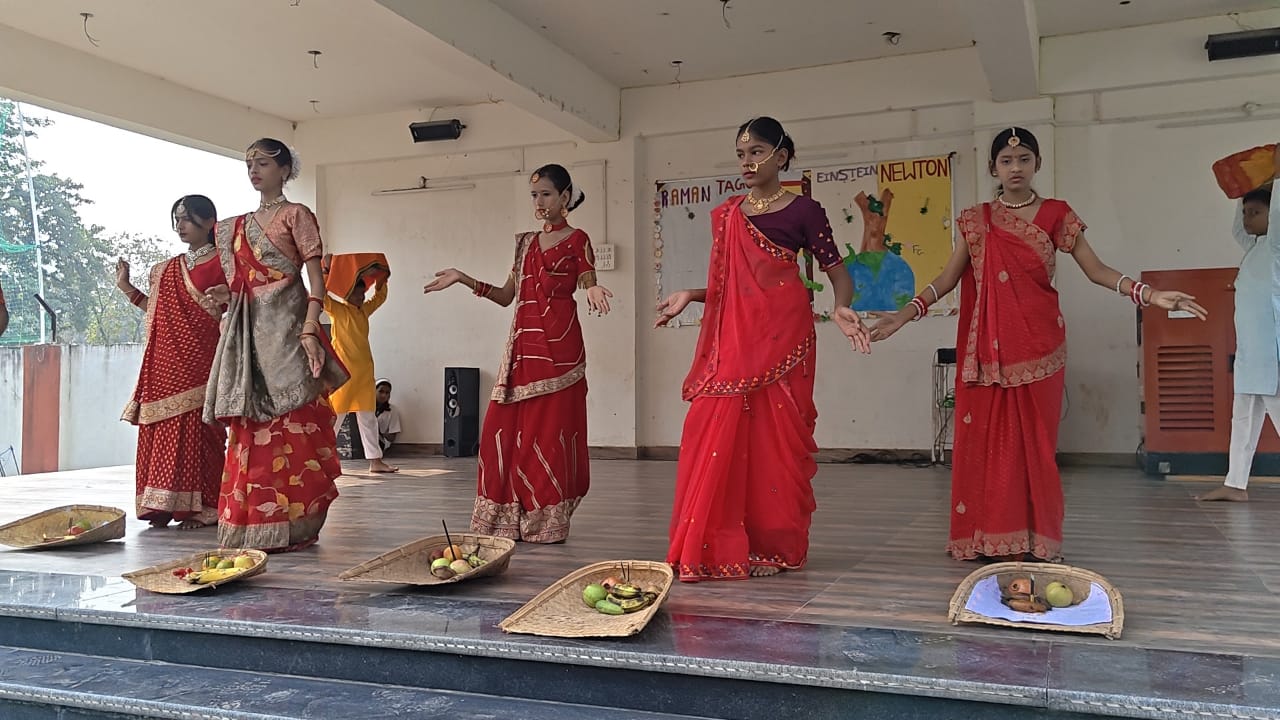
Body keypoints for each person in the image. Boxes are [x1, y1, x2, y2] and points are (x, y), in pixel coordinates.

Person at [869, 127, 1208, 562]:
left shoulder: (1056, 214)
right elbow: (948, 278)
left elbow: (1095, 269)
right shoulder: (977, 221)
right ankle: (989, 539)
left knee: (1036, 449)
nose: (1016, 167)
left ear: (1037, 164)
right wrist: (903, 315)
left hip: (1040, 347)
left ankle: (1037, 541)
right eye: (1007, 161)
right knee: (989, 448)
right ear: (994, 168)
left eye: (1024, 159)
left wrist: (1149, 294)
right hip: (989, 354)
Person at [657, 117, 871, 582]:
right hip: (735, 343)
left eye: (756, 152)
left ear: (781, 156)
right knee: (710, 428)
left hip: (785, 339)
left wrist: (841, 307)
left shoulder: (805, 211)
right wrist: (691, 295)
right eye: (741, 154)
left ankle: (770, 547)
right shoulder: (728, 214)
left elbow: (837, 272)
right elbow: (728, 288)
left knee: (774, 443)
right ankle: (714, 545)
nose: (747, 162)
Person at [423, 163, 613, 543]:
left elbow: (588, 276)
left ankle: (546, 521)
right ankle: (505, 518)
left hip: (560, 352)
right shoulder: (525, 244)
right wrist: (463, 278)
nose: (539, 202)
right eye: (534, 195)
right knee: (501, 431)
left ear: (564, 196)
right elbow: (506, 296)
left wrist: (592, 288)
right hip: (522, 351)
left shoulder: (578, 239)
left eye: (546, 194)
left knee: (549, 435)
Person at [203, 138, 349, 553]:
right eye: (249, 163)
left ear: (285, 170)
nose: (254, 170)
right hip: (249, 336)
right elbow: (242, 284)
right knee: (251, 426)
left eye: (263, 163)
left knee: (292, 424)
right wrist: (226, 297)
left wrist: (310, 329)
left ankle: (294, 522)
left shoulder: (296, 215)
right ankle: (249, 524)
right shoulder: (235, 226)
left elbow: (316, 282)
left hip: (288, 329)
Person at [118, 195, 228, 529]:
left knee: (201, 431)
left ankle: (204, 507)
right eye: (177, 219)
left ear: (209, 222)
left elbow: (238, 309)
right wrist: (126, 287)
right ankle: (161, 506)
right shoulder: (165, 270)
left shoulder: (225, 263)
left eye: (187, 218)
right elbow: (157, 313)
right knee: (163, 428)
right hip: (164, 366)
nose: (180, 225)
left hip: (204, 360)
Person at [1199, 149, 1280, 502]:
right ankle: (1235, 483)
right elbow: (1238, 227)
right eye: (1247, 212)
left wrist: (1275, 176)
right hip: (1250, 354)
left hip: (1273, 355)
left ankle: (1236, 483)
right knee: (1243, 419)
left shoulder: (1276, 247)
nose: (1248, 219)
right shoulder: (1254, 247)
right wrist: (1244, 188)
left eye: (1256, 212)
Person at [324, 253, 397, 473]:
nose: (361, 297)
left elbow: (380, 297)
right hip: (343, 375)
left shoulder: (363, 311)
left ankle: (375, 462)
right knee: (334, 419)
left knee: (368, 419)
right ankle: (322, 461)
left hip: (364, 373)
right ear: (347, 294)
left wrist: (382, 278)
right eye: (357, 294)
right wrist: (325, 271)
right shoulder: (338, 311)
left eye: (362, 294)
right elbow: (321, 297)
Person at [375, 378, 402, 452]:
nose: (384, 395)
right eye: (381, 391)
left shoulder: (392, 410)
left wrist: (377, 430)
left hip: (380, 442)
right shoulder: (367, 408)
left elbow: (392, 438)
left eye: (387, 393)